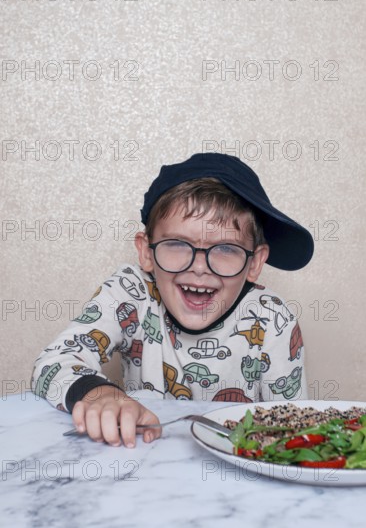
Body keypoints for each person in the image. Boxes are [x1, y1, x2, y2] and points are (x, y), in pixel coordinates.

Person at [31, 153, 314, 448]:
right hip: (144, 463)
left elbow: (293, 431)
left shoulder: (272, 319)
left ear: (255, 263)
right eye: (178, 244)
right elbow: (52, 363)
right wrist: (100, 395)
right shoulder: (132, 293)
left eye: (226, 249)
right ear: (146, 253)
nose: (200, 267)